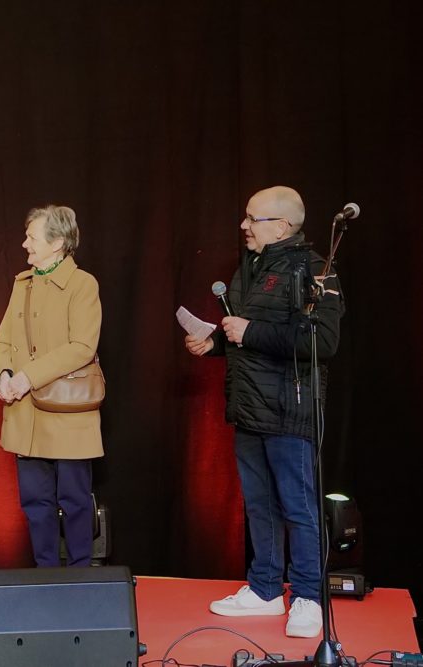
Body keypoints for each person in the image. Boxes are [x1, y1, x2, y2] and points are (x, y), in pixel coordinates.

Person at [184, 186, 344, 638]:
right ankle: (266, 588)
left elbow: (322, 342)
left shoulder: (316, 270)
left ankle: (308, 596)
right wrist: (214, 343)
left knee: (299, 507)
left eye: (252, 218)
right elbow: (241, 333)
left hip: (290, 410)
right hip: (249, 406)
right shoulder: (250, 267)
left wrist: (249, 331)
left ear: (281, 226)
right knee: (259, 506)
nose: (244, 225)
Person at [0, 205, 103, 567]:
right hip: (25, 413)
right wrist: (4, 375)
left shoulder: (83, 284)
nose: (25, 244)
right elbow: (3, 341)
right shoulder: (22, 284)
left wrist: (28, 377)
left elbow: (82, 347)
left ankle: (80, 577)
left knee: (75, 501)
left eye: (32, 237)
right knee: (35, 504)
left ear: (57, 243)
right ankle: (46, 576)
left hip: (68, 412)